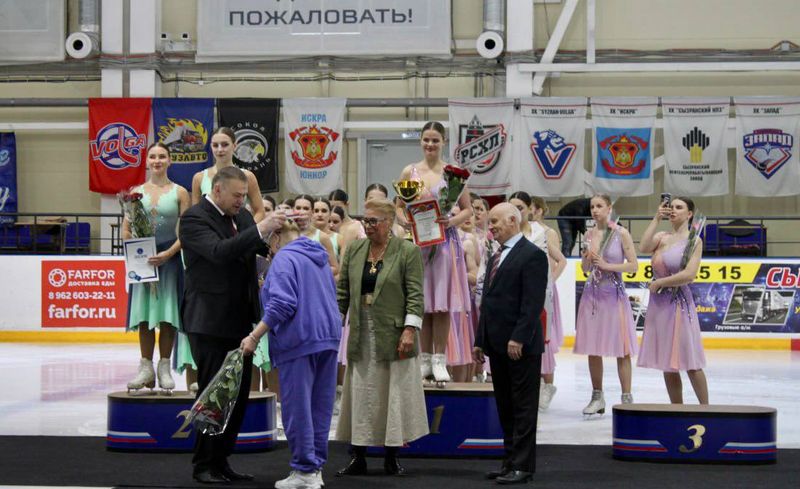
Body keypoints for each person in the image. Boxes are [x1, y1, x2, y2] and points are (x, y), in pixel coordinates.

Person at [179, 166, 285, 484]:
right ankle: (203, 464)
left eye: (244, 195)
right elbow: (219, 252)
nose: (242, 201)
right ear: (217, 190)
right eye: (237, 195)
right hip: (209, 321)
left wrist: (277, 239)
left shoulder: (241, 216)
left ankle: (222, 459)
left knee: (237, 397)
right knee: (213, 395)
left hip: (240, 319)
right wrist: (261, 227)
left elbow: (255, 248)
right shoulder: (194, 219)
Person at [242, 219, 341, 489]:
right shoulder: (319, 257)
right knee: (320, 409)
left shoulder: (284, 259)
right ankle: (314, 468)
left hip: (299, 339)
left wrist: (254, 336)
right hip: (328, 337)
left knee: (298, 409)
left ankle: (305, 470)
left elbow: (282, 305)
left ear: (275, 239)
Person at [335, 198, 428, 476]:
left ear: (389, 223)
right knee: (360, 394)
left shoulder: (408, 251)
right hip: (361, 331)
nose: (368, 225)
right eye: (365, 220)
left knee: (392, 395)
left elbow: (415, 295)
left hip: (395, 334)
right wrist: (333, 323)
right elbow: (343, 292)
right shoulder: (355, 249)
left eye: (374, 221)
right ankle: (358, 457)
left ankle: (391, 457)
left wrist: (410, 330)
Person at [473, 203, 548, 484]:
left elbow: (532, 303)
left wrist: (518, 337)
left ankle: (523, 466)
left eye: (495, 221)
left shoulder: (533, 255)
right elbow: (488, 302)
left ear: (513, 221)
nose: (490, 226)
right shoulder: (496, 255)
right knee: (505, 406)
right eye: (490, 222)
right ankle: (509, 462)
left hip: (521, 346)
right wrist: (480, 340)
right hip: (496, 344)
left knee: (523, 407)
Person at [396, 121, 473, 384]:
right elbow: (398, 206)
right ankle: (425, 358)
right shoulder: (409, 171)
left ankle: (440, 358)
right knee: (423, 303)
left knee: (441, 303)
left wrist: (451, 221)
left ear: (443, 142)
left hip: (444, 244)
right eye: (426, 139)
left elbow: (467, 209)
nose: (430, 144)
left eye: (435, 140)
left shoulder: (453, 175)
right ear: (420, 141)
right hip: (418, 244)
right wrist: (403, 221)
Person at [124, 142, 190, 394]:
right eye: (153, 156)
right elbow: (127, 229)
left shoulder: (180, 192)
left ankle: (164, 367)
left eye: (162, 156)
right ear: (147, 161)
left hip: (169, 260)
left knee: (167, 315)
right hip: (143, 261)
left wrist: (169, 253)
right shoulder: (136, 192)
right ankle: (145, 368)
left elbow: (187, 232)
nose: (157, 160)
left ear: (170, 160)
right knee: (144, 315)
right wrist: (135, 249)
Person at [637, 197, 709, 404]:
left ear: (689, 214)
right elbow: (643, 247)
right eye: (672, 207)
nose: (673, 210)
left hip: (679, 304)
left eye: (679, 207)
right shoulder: (662, 237)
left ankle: (705, 409)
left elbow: (689, 275)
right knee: (668, 362)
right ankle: (676, 408)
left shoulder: (694, 241)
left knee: (690, 360)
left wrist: (661, 282)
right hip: (659, 304)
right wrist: (656, 218)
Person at [573, 195, 638, 415]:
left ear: (609, 208)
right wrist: (586, 258)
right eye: (592, 206)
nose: (595, 210)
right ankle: (597, 396)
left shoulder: (621, 233)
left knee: (622, 349)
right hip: (592, 295)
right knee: (593, 348)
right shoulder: (589, 234)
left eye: (599, 206)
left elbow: (633, 266)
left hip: (614, 295)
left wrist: (607, 265)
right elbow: (585, 269)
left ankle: (626, 398)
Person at [508, 192, 567, 410]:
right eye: (512, 207)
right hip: (514, 297)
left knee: (541, 340)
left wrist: (548, 282)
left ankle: (545, 386)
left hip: (540, 296)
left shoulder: (543, 232)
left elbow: (560, 260)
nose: (516, 212)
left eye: (520, 207)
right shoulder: (505, 233)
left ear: (530, 209)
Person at [294, 194, 339, 277]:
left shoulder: (322, 237)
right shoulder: (286, 233)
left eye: (305, 208)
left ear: (312, 212)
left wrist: (313, 274)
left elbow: (335, 268)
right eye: (298, 208)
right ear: (293, 210)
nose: (301, 212)